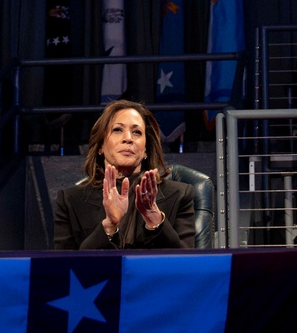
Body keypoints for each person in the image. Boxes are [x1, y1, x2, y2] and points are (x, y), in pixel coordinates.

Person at [54, 100, 195, 249]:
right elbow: (65, 267)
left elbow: (186, 265)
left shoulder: (180, 195)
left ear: (146, 149)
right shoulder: (71, 200)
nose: (128, 138)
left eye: (137, 132)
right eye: (117, 130)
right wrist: (109, 225)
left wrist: (154, 218)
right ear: (100, 145)